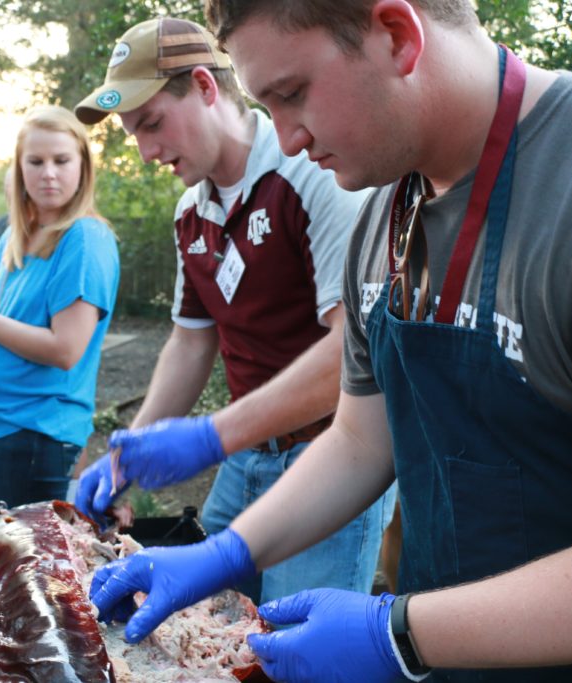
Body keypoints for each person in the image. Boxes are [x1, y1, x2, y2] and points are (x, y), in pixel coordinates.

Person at [87, 1, 572, 681]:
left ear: (399, 36)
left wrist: (398, 632)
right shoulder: (385, 213)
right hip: (457, 656)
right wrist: (231, 550)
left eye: (291, 95)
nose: (286, 139)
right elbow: (359, 440)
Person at [73, 16, 395, 606]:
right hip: (244, 459)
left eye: (151, 124)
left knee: (289, 645)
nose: (145, 152)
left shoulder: (315, 173)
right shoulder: (189, 213)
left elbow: (353, 351)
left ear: (204, 86)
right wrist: (128, 451)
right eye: (132, 134)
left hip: (331, 455)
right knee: (203, 629)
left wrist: (207, 437)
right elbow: (191, 342)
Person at [0, 105, 120, 523]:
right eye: (36, 161)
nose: (48, 172)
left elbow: (65, 349)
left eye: (61, 160)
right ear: (20, 168)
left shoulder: (84, 239)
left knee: (21, 572)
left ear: (82, 167)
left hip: (36, 432)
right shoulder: (23, 232)